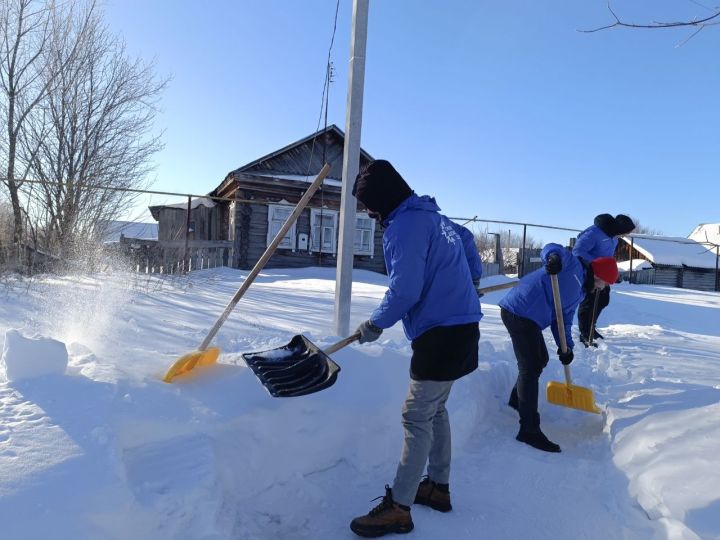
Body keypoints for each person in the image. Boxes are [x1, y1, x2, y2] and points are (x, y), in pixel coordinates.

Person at [347, 159, 483, 538]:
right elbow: (468, 240)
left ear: (383, 200)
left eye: (370, 206)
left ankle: (399, 507)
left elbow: (405, 290)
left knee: (415, 415)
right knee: (434, 409)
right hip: (462, 328)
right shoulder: (435, 218)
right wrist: (471, 279)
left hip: (441, 335)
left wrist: (375, 324)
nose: (371, 214)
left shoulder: (404, 227)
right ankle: (437, 487)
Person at [498, 243, 619, 453]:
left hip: (531, 318)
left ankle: (517, 400)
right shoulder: (572, 265)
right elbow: (552, 248)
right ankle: (528, 430)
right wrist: (552, 258)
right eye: (603, 283)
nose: (601, 288)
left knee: (539, 360)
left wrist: (567, 348)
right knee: (530, 365)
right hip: (519, 310)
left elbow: (563, 319)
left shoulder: (581, 291)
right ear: (597, 275)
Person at [573, 214, 635, 346]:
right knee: (588, 302)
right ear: (619, 228)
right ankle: (585, 334)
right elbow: (577, 251)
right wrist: (596, 264)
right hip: (589, 273)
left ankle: (591, 328)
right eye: (625, 232)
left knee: (603, 300)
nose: (625, 235)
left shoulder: (614, 238)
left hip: (603, 275)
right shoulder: (594, 233)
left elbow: (608, 256)